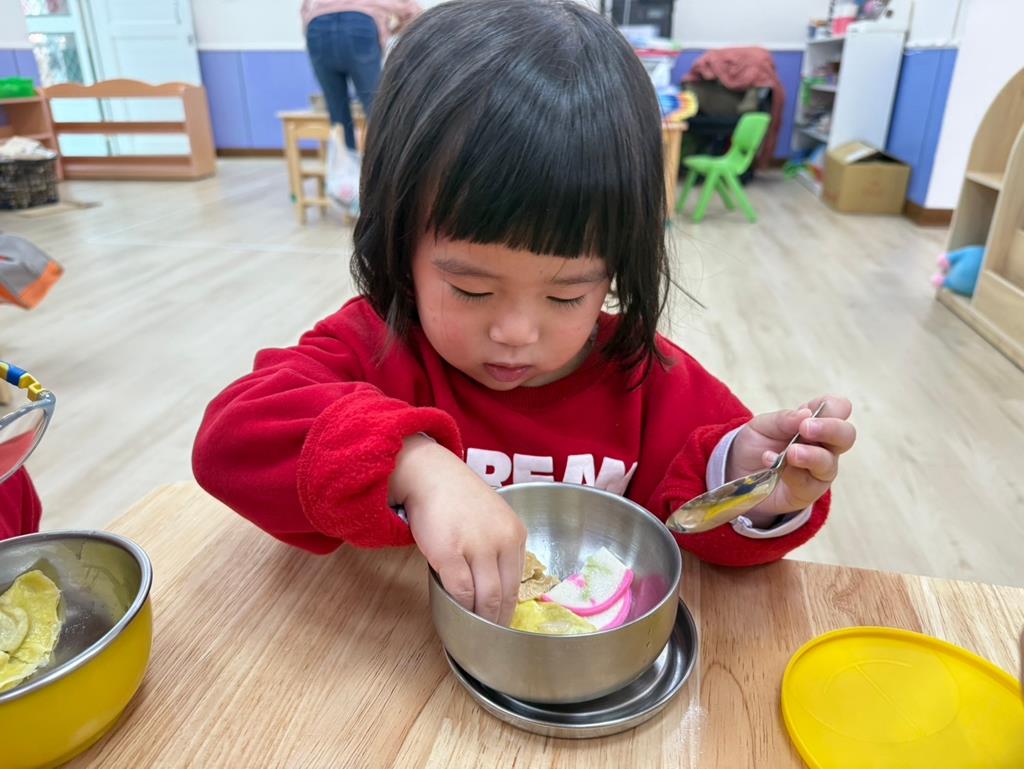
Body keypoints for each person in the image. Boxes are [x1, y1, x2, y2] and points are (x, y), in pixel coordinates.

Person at [194, 0, 856, 628]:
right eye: (471, 288)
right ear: (399, 242)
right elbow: (231, 440)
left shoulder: (644, 376)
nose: (515, 332)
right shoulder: (378, 344)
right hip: (385, 650)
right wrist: (409, 463)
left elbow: (694, 515)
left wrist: (745, 483)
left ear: (616, 268)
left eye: (567, 296)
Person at [303, 0, 421, 150]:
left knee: (337, 113)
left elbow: (305, 9)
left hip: (318, 27)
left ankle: (345, 162)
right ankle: (387, 159)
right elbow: (413, 12)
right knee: (376, 108)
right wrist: (392, 30)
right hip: (359, 24)